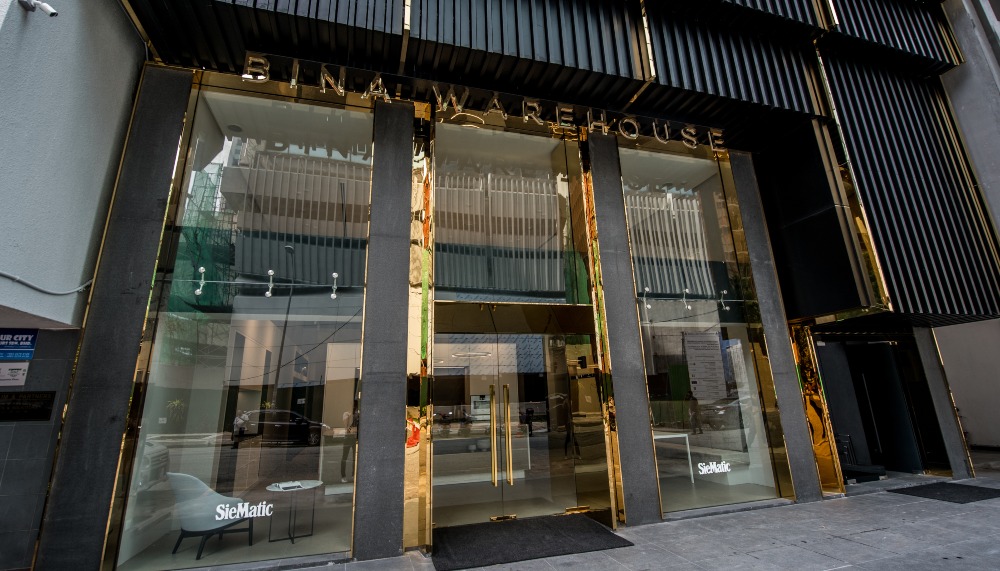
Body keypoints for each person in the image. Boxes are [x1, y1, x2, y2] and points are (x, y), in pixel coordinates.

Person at [341, 407, 359, 483]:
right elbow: (346, 427)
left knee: (355, 457)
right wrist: (349, 416)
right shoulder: (346, 414)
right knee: (344, 457)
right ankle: (343, 476)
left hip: (354, 438)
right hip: (347, 438)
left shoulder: (357, 417)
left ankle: (353, 474)